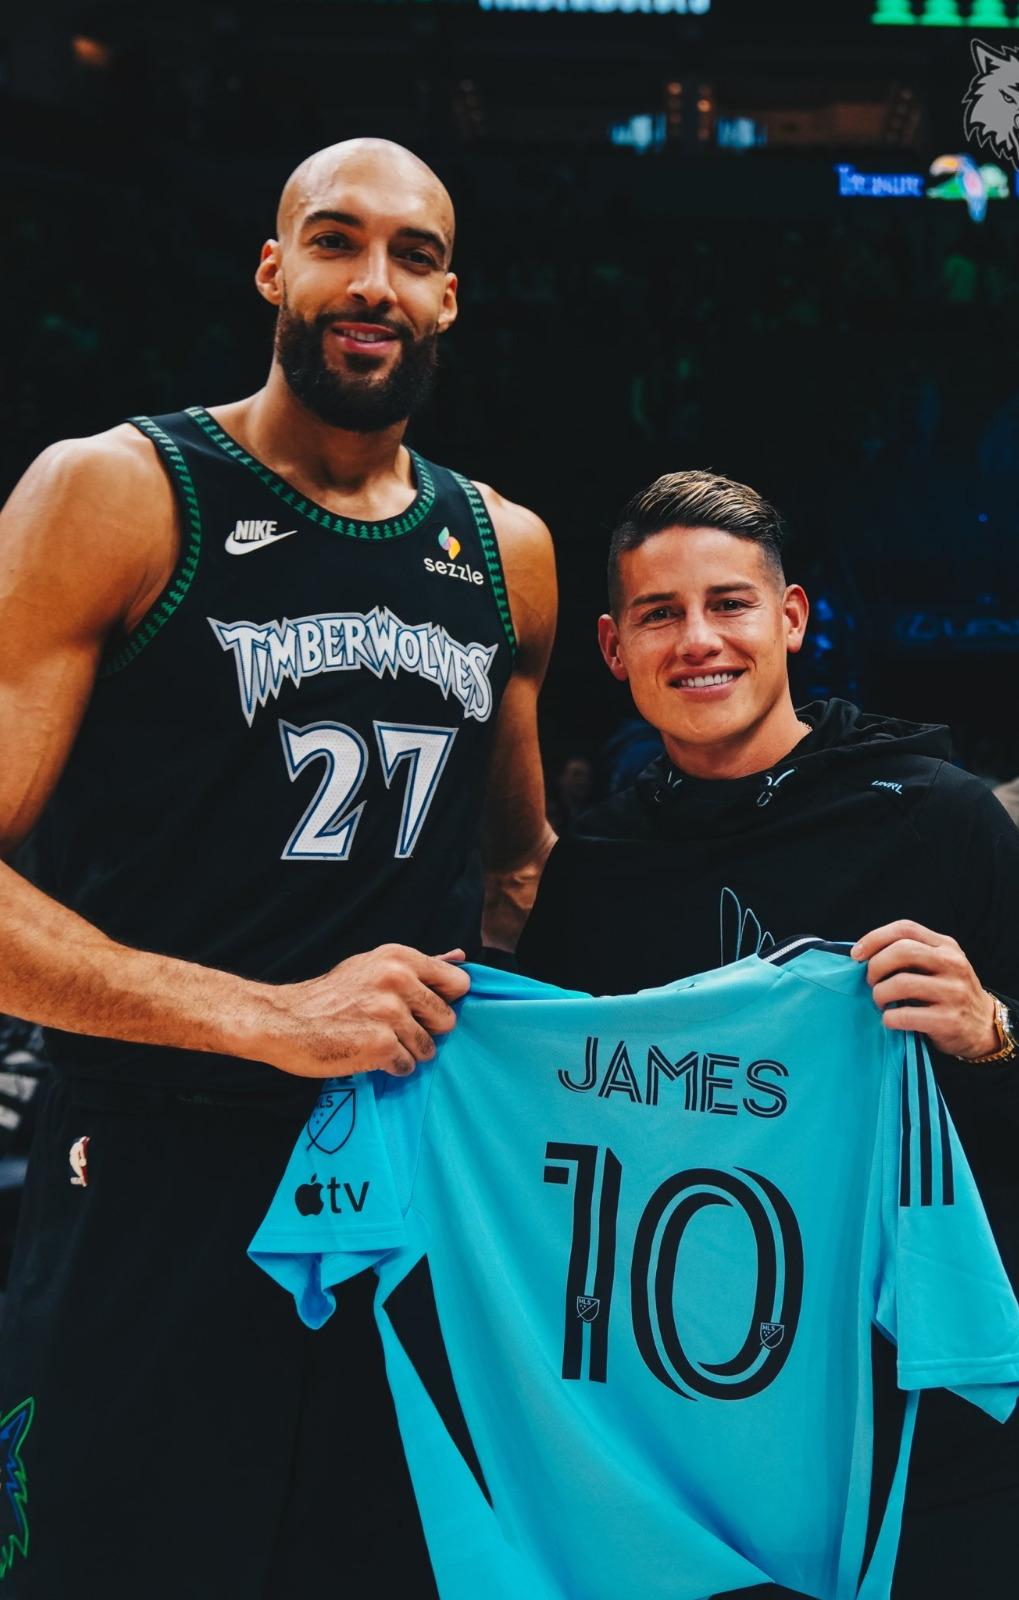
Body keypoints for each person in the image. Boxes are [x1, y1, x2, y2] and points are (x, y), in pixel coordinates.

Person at [0, 139, 556, 1597]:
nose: (373, 282)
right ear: (273, 269)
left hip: (409, 1191)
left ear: (449, 301)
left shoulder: (506, 551)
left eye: (414, 256)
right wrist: (263, 1014)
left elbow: (518, 876)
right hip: (150, 1162)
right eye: (335, 240)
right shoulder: (117, 492)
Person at [517, 468, 1019, 1600]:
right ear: (610, 645)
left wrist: (994, 1030)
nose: (698, 640)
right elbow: (545, 1136)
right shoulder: (594, 872)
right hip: (680, 1439)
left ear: (787, 619)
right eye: (659, 613)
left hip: (927, 1425)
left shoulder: (936, 816)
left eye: (729, 603)